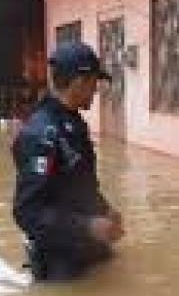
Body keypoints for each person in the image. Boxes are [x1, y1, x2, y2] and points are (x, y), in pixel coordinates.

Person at [12, 41, 123, 281]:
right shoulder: (41, 134)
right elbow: (27, 212)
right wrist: (87, 226)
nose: (96, 90)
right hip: (58, 253)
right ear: (79, 82)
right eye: (94, 83)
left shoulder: (73, 122)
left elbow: (79, 182)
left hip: (85, 239)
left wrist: (105, 209)